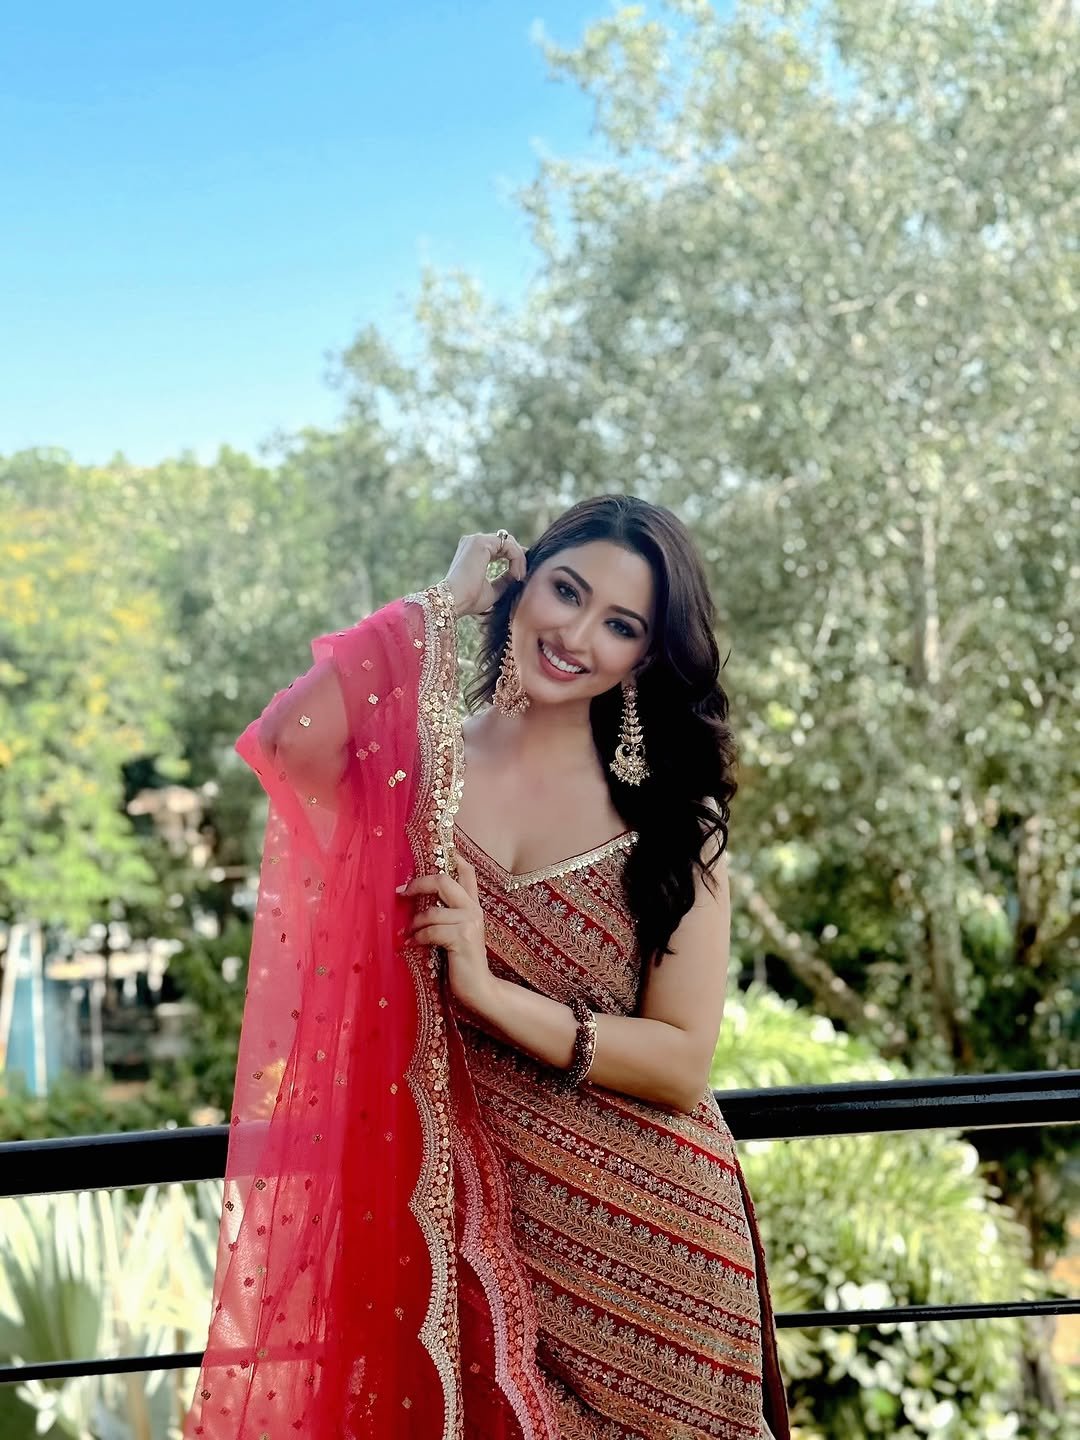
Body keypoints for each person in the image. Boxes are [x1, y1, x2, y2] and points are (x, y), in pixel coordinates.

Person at [183, 495, 789, 1440]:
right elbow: (284, 743)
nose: (577, 634)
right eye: (566, 590)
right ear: (520, 584)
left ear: (644, 657)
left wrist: (491, 995)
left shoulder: (673, 816)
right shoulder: (415, 778)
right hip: (473, 1239)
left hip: (663, 1253)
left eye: (620, 624)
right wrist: (439, 603)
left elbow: (680, 1060)